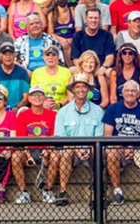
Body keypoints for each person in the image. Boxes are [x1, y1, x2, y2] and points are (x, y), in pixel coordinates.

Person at [104, 80, 140, 205]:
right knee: (111, 153)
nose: (130, 93)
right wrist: (123, 148)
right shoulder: (113, 108)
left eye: (133, 91)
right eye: (127, 90)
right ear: (122, 93)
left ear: (138, 93)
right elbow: (108, 135)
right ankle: (118, 193)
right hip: (118, 148)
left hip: (139, 148)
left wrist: (135, 148)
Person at [55, 73, 104, 206]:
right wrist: (75, 148)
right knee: (66, 153)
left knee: (100, 153)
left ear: (88, 89)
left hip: (92, 149)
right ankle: (63, 192)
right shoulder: (63, 112)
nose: (81, 89)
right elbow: (60, 137)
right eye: (78, 87)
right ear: (73, 90)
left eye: (84, 86)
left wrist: (91, 149)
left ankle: (97, 194)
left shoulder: (98, 111)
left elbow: (99, 136)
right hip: (70, 149)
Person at [11, 85, 59, 205]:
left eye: (39, 94)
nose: (36, 97)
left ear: (44, 98)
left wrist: (47, 150)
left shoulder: (53, 115)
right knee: (16, 157)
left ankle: (47, 190)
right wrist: (28, 156)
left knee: (55, 156)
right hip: (29, 150)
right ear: (29, 99)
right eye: (33, 95)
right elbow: (21, 140)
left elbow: (53, 137)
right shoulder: (23, 115)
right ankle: (24, 192)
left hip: (45, 149)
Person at [0, 42, 30, 113]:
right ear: (1, 56)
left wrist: (17, 108)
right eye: (5, 54)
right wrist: (0, 108)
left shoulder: (22, 72)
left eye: (10, 54)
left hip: (18, 110)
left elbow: (26, 97)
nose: (8, 57)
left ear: (14, 55)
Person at [31, 45, 72, 111]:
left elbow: (70, 94)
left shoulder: (66, 72)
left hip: (62, 109)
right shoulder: (37, 72)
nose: (51, 58)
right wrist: (42, 103)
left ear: (58, 57)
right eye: (48, 55)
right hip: (42, 108)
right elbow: (33, 94)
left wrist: (59, 105)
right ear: (44, 57)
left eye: (53, 55)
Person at [47, 0, 75, 67]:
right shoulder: (52, 14)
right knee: (65, 46)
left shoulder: (73, 12)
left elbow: (78, 30)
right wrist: (61, 40)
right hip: (57, 40)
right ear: (55, 0)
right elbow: (50, 32)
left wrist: (72, 38)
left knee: (67, 45)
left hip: (71, 39)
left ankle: (71, 69)